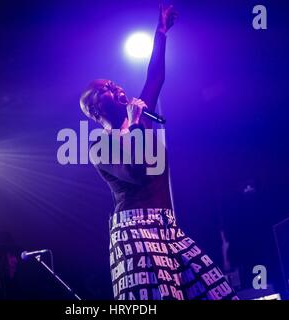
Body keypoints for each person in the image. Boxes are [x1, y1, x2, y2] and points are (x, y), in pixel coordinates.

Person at [80, 4, 238, 300]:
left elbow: (155, 78)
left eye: (113, 82)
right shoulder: (100, 144)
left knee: (217, 293)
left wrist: (161, 32)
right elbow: (137, 172)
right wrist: (137, 123)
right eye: (105, 88)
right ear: (94, 108)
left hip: (168, 226)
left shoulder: (136, 116)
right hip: (136, 231)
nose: (114, 86)